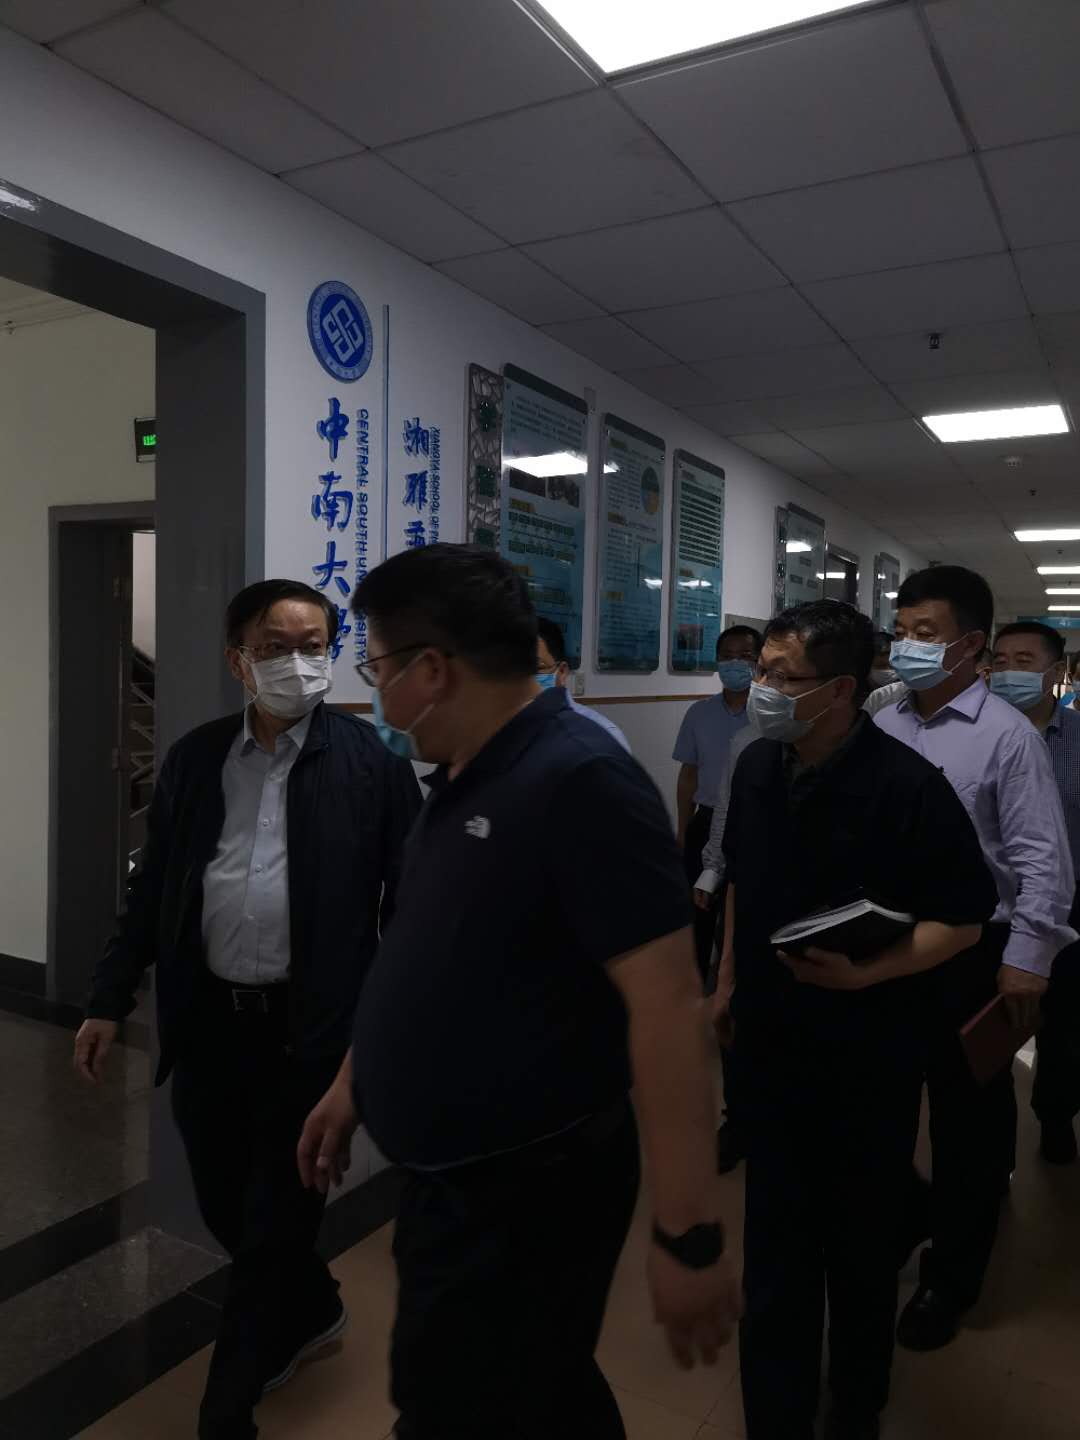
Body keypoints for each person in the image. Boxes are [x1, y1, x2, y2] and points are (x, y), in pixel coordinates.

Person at [296, 544, 740, 1440]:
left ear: (430, 670)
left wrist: (687, 1233)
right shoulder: (463, 769)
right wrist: (355, 1079)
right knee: (529, 1393)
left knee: (472, 1402)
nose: (376, 695)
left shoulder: (578, 779)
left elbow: (667, 1014)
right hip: (455, 1176)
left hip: (527, 1185)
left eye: (375, 670)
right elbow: (425, 946)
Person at [74, 580, 423, 1440]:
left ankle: (226, 1411)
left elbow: (410, 911)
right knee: (229, 1206)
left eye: (314, 646)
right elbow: (156, 890)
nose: (297, 664)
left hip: (312, 1036)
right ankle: (313, 1306)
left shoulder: (372, 764)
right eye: (275, 648)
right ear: (239, 662)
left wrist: (379, 1043)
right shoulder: (196, 760)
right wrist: (109, 997)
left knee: (272, 1225)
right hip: (209, 1030)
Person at [714, 600, 996, 1440]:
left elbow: (965, 919)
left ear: (839, 690)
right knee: (774, 1247)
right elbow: (740, 880)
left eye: (782, 675)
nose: (762, 688)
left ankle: (857, 1405)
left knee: (859, 1249)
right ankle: (775, 1413)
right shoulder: (757, 766)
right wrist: (727, 980)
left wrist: (869, 970)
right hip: (770, 1047)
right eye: (761, 670)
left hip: (867, 1055)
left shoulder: (908, 786)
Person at [877, 566, 1075, 1352]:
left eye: (924, 634)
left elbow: (1041, 857)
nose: (907, 646)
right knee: (881, 1102)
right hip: (888, 944)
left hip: (977, 953)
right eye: (901, 631)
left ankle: (952, 1277)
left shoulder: (1007, 736)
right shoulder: (884, 720)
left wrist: (1028, 958)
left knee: (969, 1123)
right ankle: (907, 1215)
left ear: (969, 646)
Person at [990, 621, 1080, 1164]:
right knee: (989, 1031)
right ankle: (992, 1154)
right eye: (1000, 662)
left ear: (1056, 672)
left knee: (1064, 1028)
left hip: (1071, 906)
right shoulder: (981, 733)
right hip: (994, 907)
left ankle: (1056, 1114)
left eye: (1023, 662)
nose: (1008, 672)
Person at [674, 625, 762, 976]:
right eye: (727, 656)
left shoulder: (768, 715)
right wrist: (683, 830)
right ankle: (696, 984)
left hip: (750, 828)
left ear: (759, 662)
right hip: (706, 821)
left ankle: (732, 985)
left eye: (745, 656)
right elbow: (688, 775)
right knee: (696, 913)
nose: (735, 663)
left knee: (741, 916)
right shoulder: (699, 713)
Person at [535, 615, 630, 751]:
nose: (522, 681)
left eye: (536, 668)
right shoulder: (508, 727)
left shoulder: (602, 737)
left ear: (562, 672)